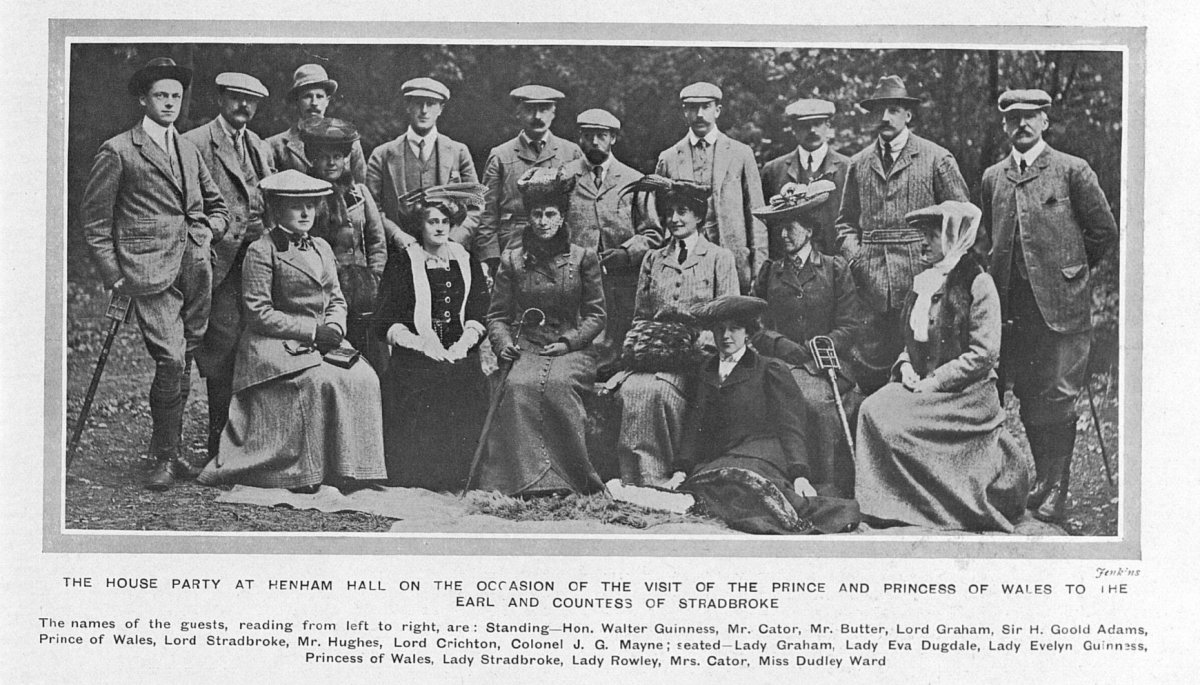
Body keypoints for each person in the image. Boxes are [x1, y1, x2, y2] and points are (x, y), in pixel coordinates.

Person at [81, 57, 229, 490]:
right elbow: (95, 223)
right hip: (146, 273)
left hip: (195, 269)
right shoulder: (119, 150)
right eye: (161, 95)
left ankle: (174, 450)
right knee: (171, 357)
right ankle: (162, 456)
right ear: (143, 99)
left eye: (176, 96)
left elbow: (217, 207)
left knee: (184, 358)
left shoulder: (188, 148)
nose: (169, 103)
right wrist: (114, 275)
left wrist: (204, 232)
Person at [977, 89, 1119, 523]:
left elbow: (1103, 231)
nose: (1022, 124)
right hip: (1010, 308)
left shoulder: (1071, 170)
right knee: (1022, 394)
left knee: (1056, 395)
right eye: (1013, 117)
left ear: (1044, 122)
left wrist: (1070, 272)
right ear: (1004, 125)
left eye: (1031, 116)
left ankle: (1057, 486)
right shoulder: (992, 177)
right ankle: (1039, 479)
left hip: (1060, 307)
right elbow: (991, 239)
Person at [197, 170, 386, 493]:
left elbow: (336, 297)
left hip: (323, 340)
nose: (305, 213)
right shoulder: (262, 250)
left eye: (311, 206)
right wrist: (313, 331)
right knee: (317, 381)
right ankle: (302, 471)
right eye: (296, 206)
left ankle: (353, 469)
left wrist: (336, 326)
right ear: (275, 209)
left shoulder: (323, 247)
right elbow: (259, 313)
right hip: (271, 345)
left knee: (364, 377)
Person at [854, 201, 1029, 533]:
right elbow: (912, 341)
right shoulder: (924, 282)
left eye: (932, 236)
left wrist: (935, 381)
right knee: (872, 409)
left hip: (966, 395)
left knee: (896, 425)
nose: (923, 243)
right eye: (922, 235)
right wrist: (905, 366)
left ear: (953, 238)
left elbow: (984, 354)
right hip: (921, 382)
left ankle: (934, 504)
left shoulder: (978, 283)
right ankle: (889, 503)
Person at [674, 296, 860, 535]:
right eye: (720, 329)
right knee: (709, 489)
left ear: (748, 333)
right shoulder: (706, 370)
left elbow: (790, 427)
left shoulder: (769, 368)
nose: (726, 336)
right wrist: (681, 468)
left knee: (746, 491)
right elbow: (695, 424)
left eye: (734, 328)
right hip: (724, 454)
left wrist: (800, 474)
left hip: (764, 451)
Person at [474, 168, 607, 496]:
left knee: (558, 385)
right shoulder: (513, 261)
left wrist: (569, 341)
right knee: (518, 386)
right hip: (527, 346)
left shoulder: (583, 259)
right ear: (528, 218)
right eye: (536, 214)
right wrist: (503, 343)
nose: (543, 221)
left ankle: (570, 480)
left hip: (572, 348)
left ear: (562, 218)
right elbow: (497, 316)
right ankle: (528, 481)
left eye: (550, 214)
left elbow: (596, 315)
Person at [836, 75, 970, 394]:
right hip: (870, 288)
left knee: (920, 370)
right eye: (880, 110)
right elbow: (844, 223)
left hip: (923, 283)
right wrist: (858, 260)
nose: (885, 118)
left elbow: (962, 219)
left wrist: (941, 270)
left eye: (894, 109)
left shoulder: (936, 158)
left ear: (908, 115)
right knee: (871, 374)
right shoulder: (858, 163)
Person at [607, 176, 739, 487]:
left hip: (698, 358)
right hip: (653, 354)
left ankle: (662, 476)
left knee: (658, 392)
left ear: (698, 215)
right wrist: (644, 346)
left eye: (682, 211)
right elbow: (641, 315)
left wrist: (700, 345)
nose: (674, 219)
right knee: (631, 390)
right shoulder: (653, 259)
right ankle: (635, 479)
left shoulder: (720, 258)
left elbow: (729, 317)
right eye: (669, 212)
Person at [749, 180, 868, 499]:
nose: (784, 235)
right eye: (780, 229)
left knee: (821, 405)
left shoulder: (834, 269)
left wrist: (822, 345)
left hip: (827, 365)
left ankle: (832, 484)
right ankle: (792, 481)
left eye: (791, 228)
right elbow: (755, 325)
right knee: (796, 402)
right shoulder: (769, 272)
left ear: (810, 230)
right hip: (782, 364)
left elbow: (850, 324)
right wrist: (782, 345)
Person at [373, 183, 490, 490]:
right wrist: (420, 343)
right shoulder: (402, 262)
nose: (439, 227)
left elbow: (479, 309)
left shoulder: (466, 259)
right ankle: (418, 476)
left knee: (466, 383)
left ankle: (458, 475)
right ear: (420, 225)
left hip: (459, 352)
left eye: (444, 222)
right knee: (420, 386)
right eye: (432, 221)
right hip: (415, 355)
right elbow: (386, 318)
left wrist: (464, 343)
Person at [183, 72, 275, 461]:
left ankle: (250, 444)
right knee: (219, 350)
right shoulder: (195, 143)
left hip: (257, 263)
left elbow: (270, 198)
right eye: (236, 98)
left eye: (251, 101)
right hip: (217, 263)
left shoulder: (258, 146)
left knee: (256, 348)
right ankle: (216, 445)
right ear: (220, 99)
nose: (243, 106)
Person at [562, 108, 665, 368]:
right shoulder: (565, 177)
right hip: (577, 277)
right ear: (579, 138)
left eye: (601, 135)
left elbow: (653, 232)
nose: (594, 142)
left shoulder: (634, 179)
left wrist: (627, 252)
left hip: (622, 279)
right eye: (588, 136)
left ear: (613, 138)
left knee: (618, 340)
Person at [654, 82, 767, 292]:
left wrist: (759, 270)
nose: (699, 114)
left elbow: (757, 216)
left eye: (706, 107)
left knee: (734, 323)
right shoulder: (668, 158)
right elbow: (659, 216)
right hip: (684, 265)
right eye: (692, 108)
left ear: (718, 110)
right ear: (684, 111)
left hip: (734, 261)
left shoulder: (741, 154)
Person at [299, 117, 388, 371]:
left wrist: (376, 277)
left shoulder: (359, 192)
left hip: (365, 293)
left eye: (337, 156)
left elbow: (376, 240)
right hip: (325, 293)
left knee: (374, 359)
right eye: (324, 156)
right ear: (313, 158)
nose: (331, 163)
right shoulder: (306, 197)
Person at [366, 77, 480, 254]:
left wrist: (451, 240)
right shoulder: (382, 155)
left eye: (431, 104)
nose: (424, 111)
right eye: (418, 103)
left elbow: (475, 207)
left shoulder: (458, 152)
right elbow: (372, 208)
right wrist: (396, 235)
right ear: (408, 106)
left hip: (448, 253)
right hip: (399, 254)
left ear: (441, 109)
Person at [476, 85, 584, 270]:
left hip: (559, 245)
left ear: (553, 113)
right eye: (530, 110)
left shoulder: (571, 152)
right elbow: (487, 213)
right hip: (513, 245)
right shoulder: (501, 155)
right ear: (518, 113)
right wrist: (490, 258)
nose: (537, 117)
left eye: (543, 109)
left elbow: (580, 208)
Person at [760, 98, 850, 257]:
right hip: (786, 269)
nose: (812, 130)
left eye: (817, 123)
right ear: (793, 128)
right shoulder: (773, 171)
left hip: (836, 267)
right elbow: (763, 225)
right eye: (804, 125)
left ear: (828, 125)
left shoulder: (848, 168)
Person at [267, 64, 367, 185]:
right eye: (307, 96)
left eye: (319, 96)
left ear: (327, 101)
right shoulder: (276, 145)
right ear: (296, 101)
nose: (314, 103)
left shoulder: (350, 141)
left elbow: (361, 187)